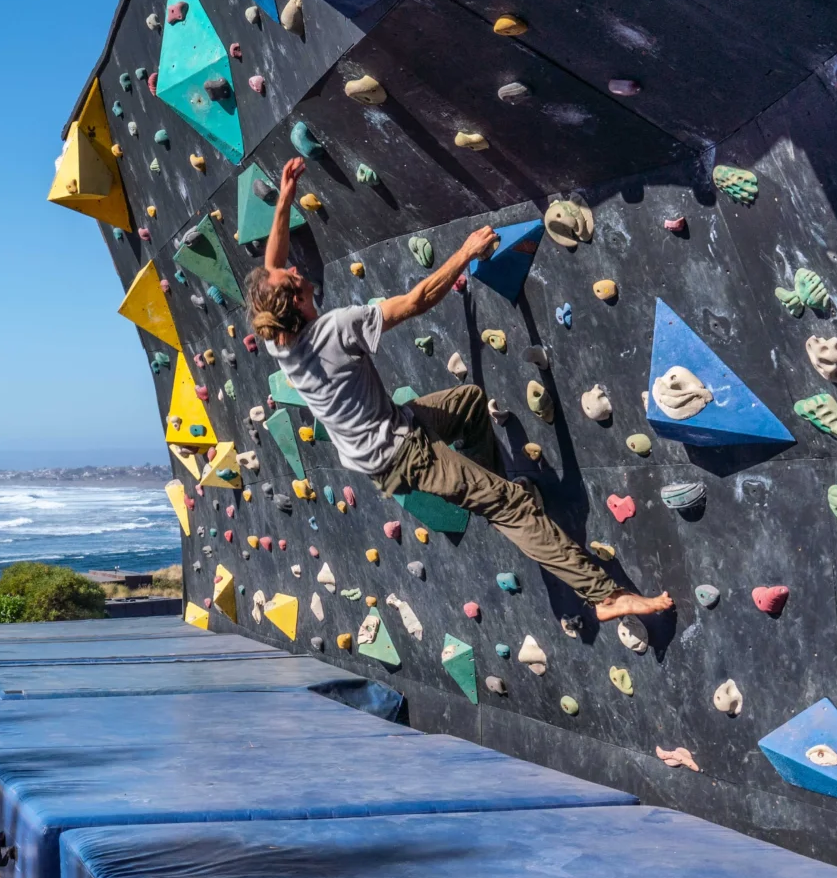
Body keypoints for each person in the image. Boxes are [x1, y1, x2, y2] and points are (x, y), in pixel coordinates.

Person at [248, 156, 671, 623]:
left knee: (469, 404)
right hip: (402, 455)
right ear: (294, 297)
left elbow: (271, 261)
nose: (287, 267)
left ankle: (491, 490)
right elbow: (416, 301)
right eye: (287, 274)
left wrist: (286, 198)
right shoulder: (334, 329)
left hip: (387, 435)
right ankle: (604, 596)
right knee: (511, 506)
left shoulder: (280, 340)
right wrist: (465, 251)